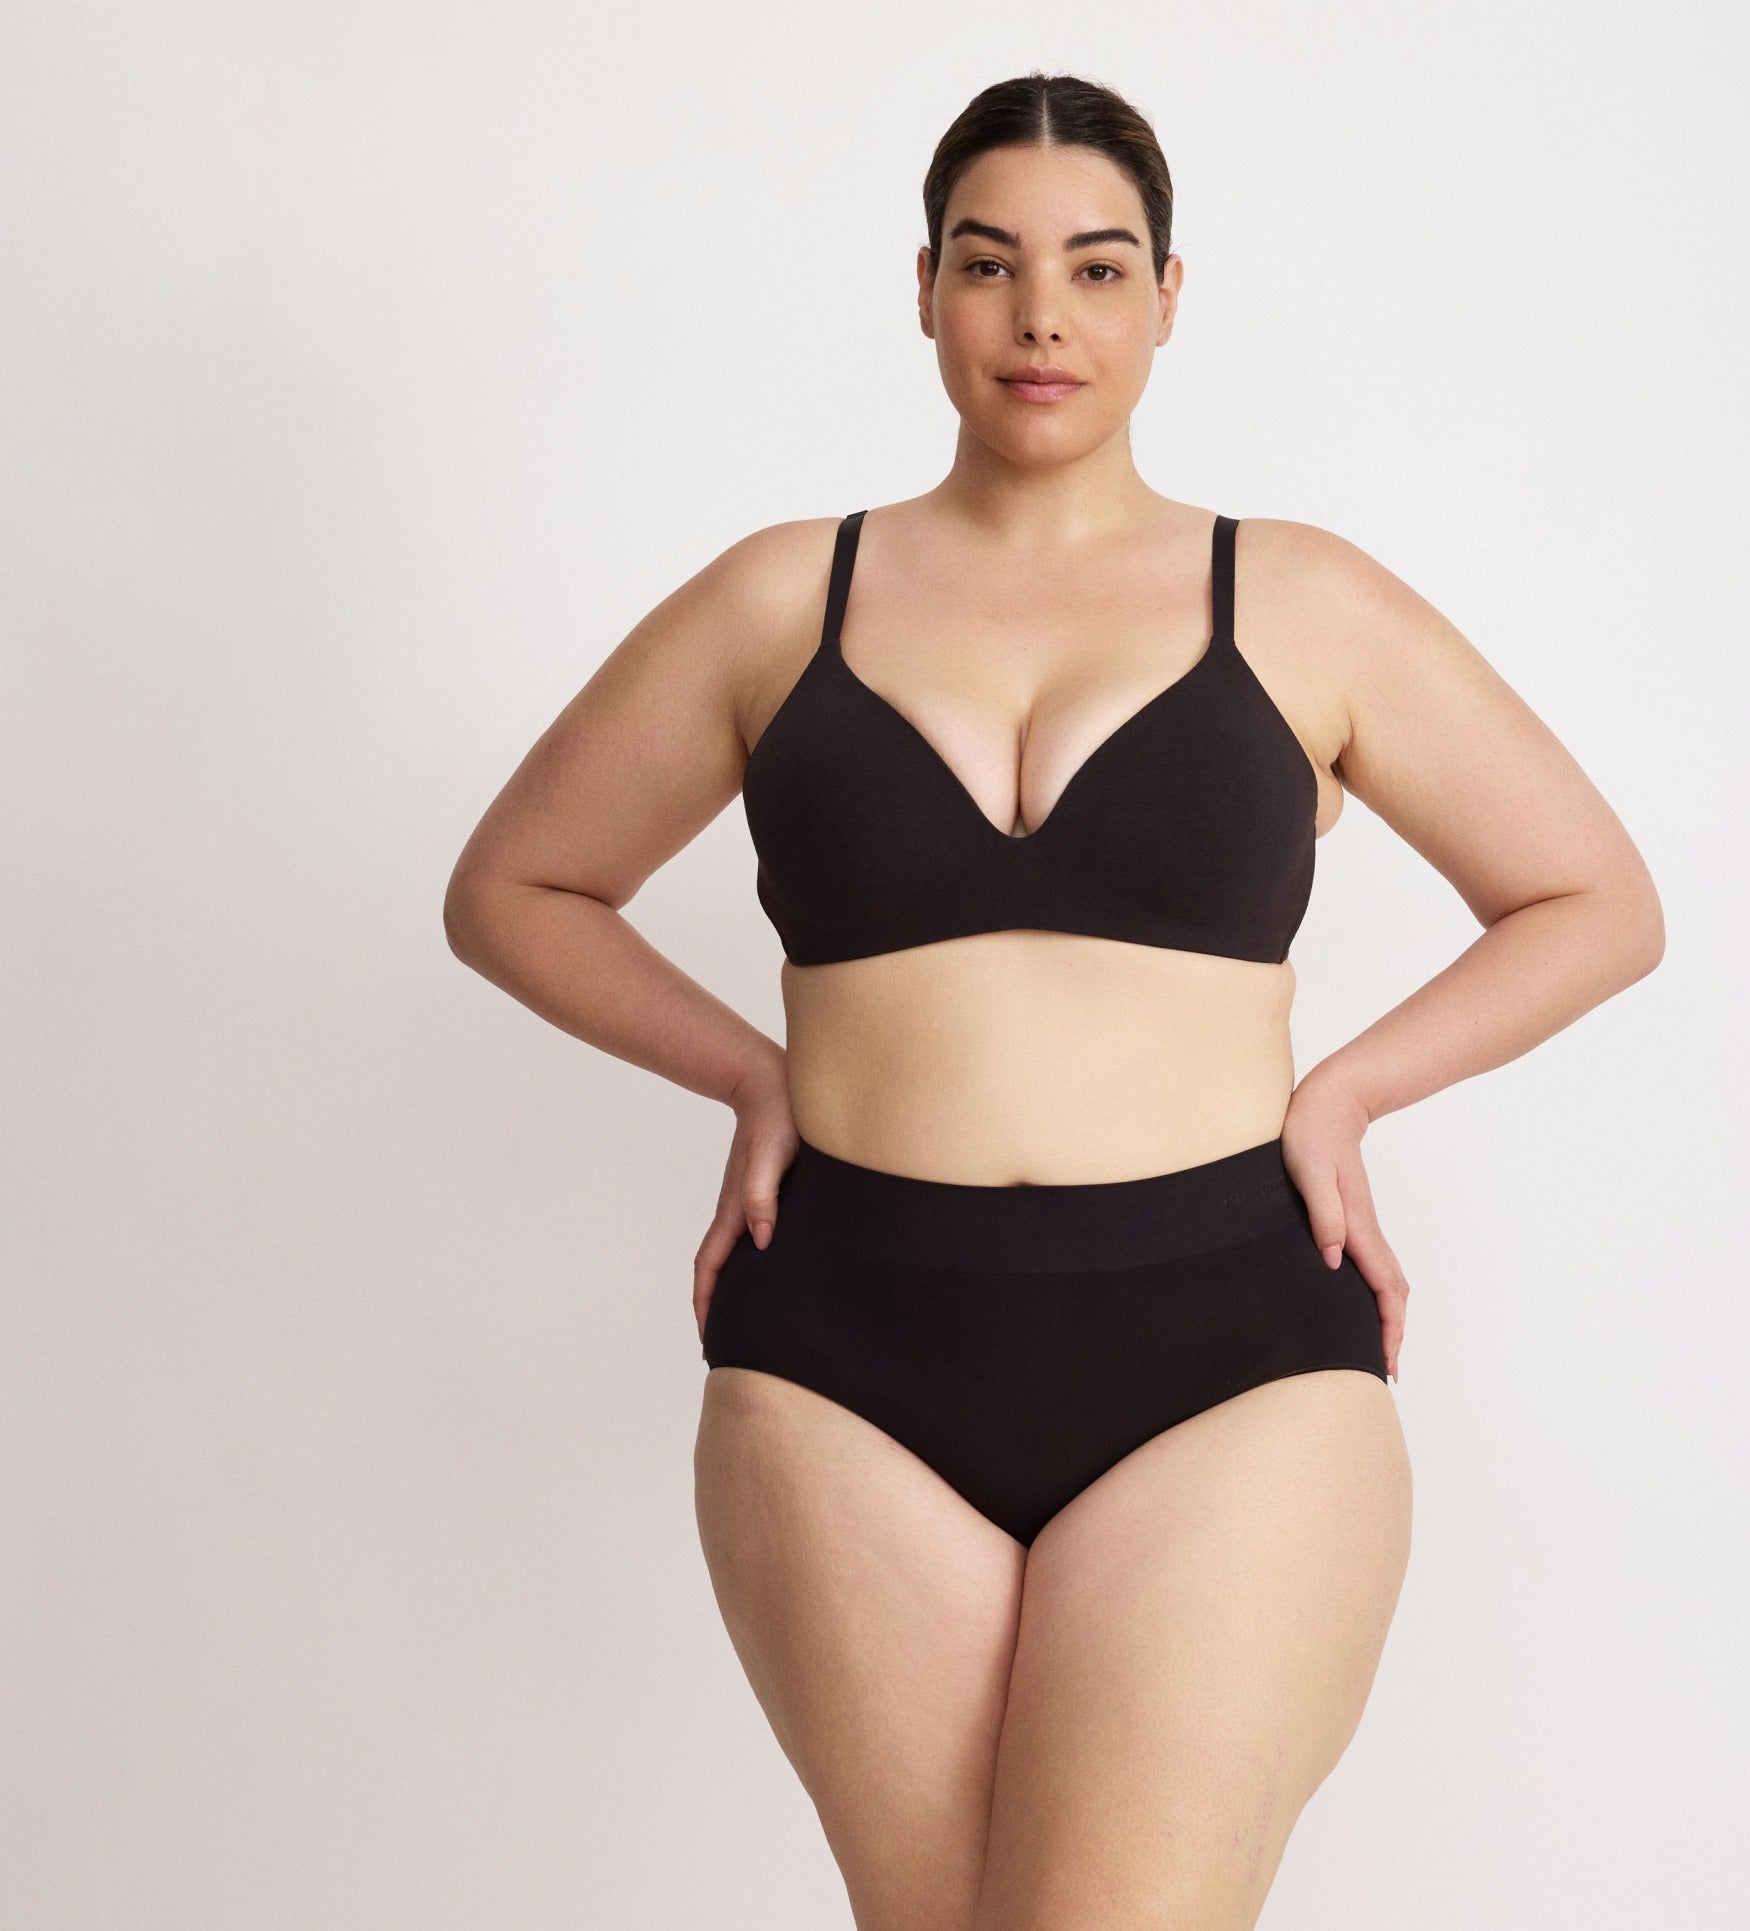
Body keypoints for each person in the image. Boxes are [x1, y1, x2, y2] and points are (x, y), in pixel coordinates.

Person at [444, 69, 1663, 1931]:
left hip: (1229, 1356)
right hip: (840, 1357)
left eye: (1096, 269)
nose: (1040, 319)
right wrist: (753, 1076)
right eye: (988, 263)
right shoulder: (781, 598)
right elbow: (514, 888)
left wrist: (1341, 1094)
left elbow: (1593, 899)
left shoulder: (1302, 598)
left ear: (1168, 296)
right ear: (925, 290)